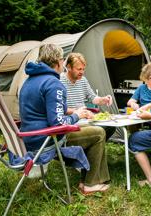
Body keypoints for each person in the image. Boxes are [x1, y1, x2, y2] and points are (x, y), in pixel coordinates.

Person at [19, 44, 110, 194]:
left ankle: (98, 177)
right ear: (58, 62)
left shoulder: (30, 81)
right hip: (46, 141)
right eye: (62, 59)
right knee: (99, 133)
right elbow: (59, 123)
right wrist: (77, 115)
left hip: (29, 138)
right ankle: (90, 183)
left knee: (90, 129)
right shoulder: (53, 83)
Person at [60, 52, 116, 141]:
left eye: (83, 69)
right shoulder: (59, 81)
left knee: (111, 127)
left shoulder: (83, 80)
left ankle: (89, 148)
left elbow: (93, 98)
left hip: (84, 120)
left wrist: (103, 99)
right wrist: (78, 112)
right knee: (99, 131)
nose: (82, 72)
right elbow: (59, 109)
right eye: (79, 69)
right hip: (70, 121)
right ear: (69, 67)